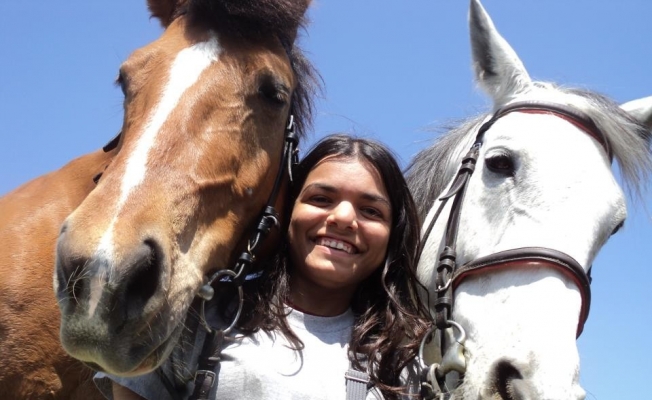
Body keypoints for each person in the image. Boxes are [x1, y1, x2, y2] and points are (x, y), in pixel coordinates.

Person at [96, 134, 432, 400]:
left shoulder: (404, 364)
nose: (343, 218)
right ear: (286, 213)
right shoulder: (203, 316)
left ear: (393, 234)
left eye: (371, 211)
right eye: (320, 199)